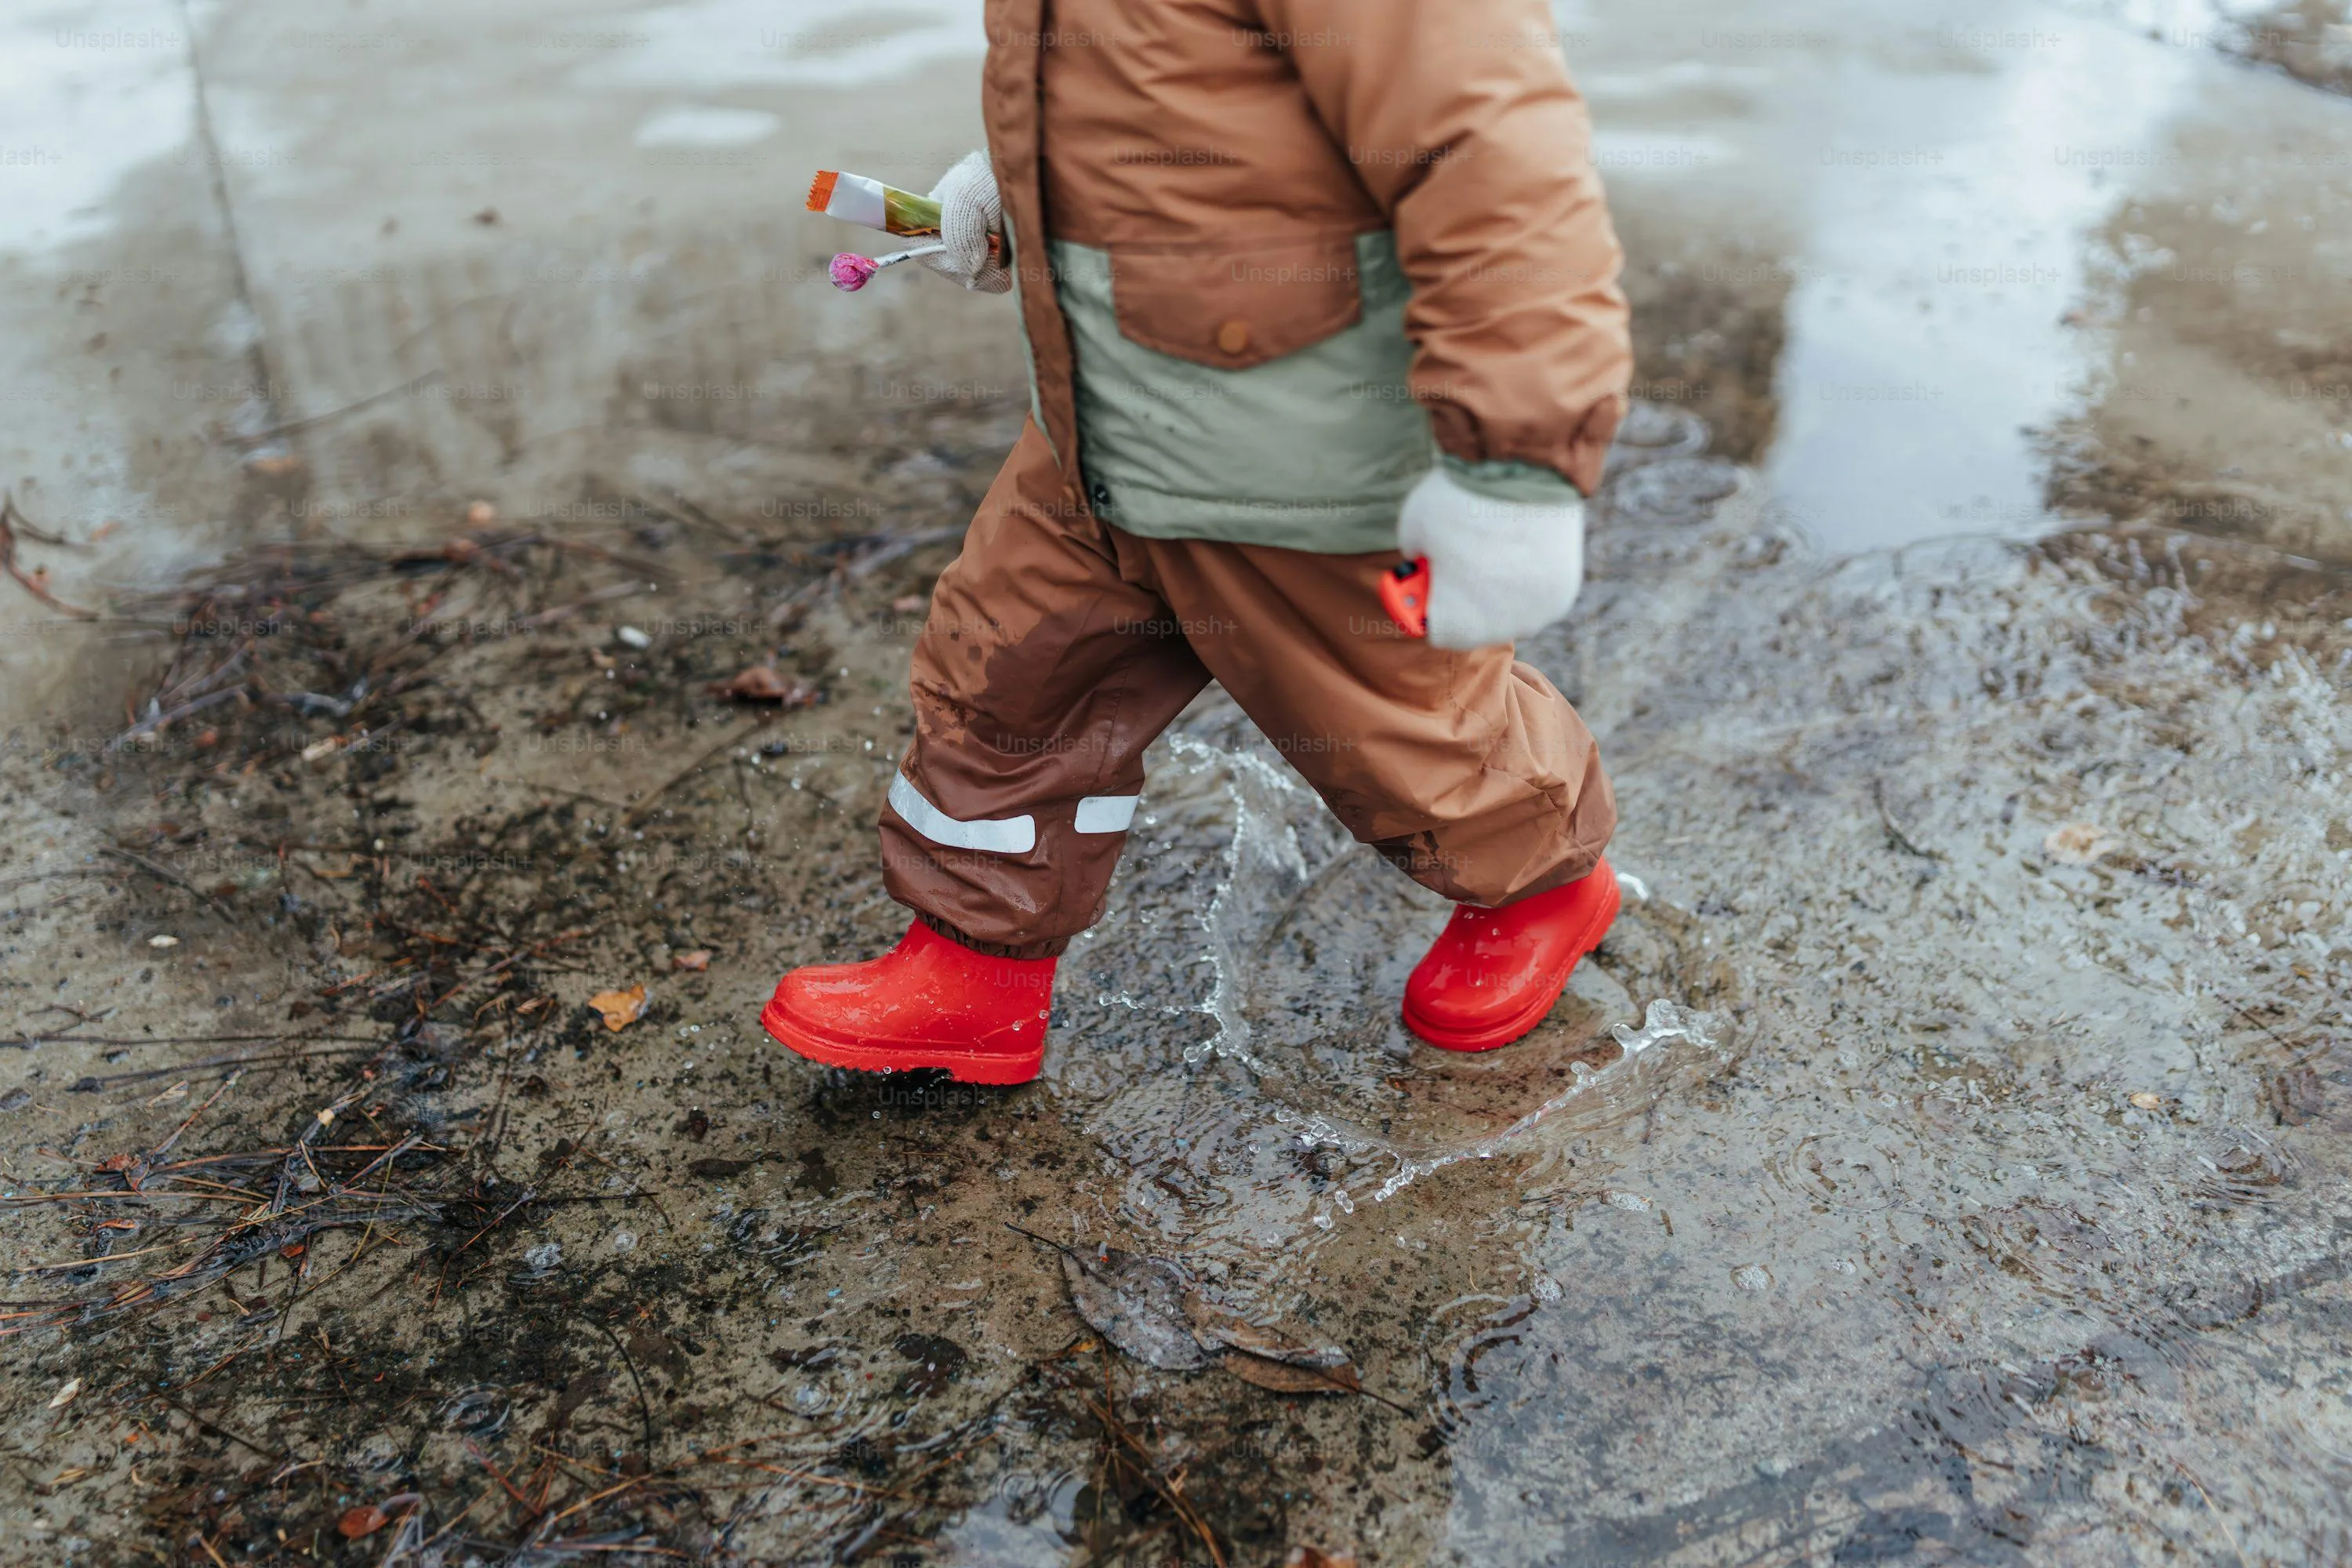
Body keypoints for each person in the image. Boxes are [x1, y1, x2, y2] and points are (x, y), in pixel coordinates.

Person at [762, 0, 1631, 1084]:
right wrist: (1014, 184)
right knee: (1006, 676)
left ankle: (1544, 885)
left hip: (1293, 451)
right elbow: (1144, 84)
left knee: (1394, 725)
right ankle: (973, 967)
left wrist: (1517, 459)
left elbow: (1500, 165)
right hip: (1097, 423)